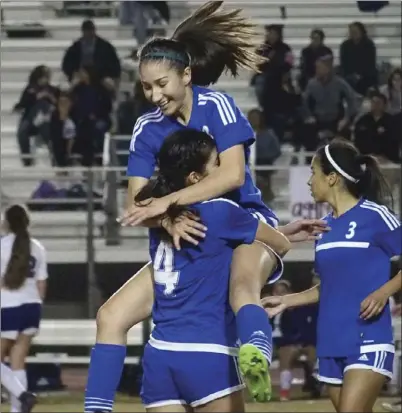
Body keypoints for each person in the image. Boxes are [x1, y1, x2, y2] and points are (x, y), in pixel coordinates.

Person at [85, 1, 328, 408]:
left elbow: (231, 176)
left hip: (242, 222)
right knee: (110, 317)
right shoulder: (146, 128)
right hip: (194, 230)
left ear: (187, 74)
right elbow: (136, 202)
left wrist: (168, 205)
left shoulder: (216, 106)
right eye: (146, 87)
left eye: (161, 83)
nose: (154, 94)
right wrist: (166, 219)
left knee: (242, 287)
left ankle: (256, 356)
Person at [118, 129, 290, 412]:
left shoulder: (164, 218)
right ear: (195, 178)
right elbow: (280, 244)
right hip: (209, 350)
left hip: (160, 354)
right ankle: (258, 341)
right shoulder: (222, 210)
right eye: (215, 164)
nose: (223, 169)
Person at [263, 140, 402, 412]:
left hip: (369, 336)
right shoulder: (323, 228)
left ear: (332, 177)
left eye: (313, 172)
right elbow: (328, 287)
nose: (309, 181)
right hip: (330, 340)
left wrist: (384, 291)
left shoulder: (376, 216)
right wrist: (286, 301)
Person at [1, 205, 48, 413]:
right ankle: (18, 409)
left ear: (7, 223)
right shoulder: (37, 246)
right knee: (18, 361)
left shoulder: (3, 245)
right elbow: (41, 283)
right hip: (32, 306)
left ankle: (22, 395)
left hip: (9, 306)